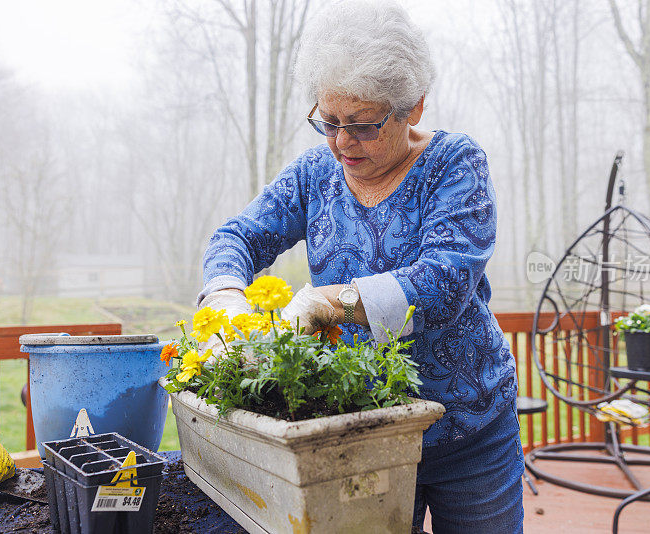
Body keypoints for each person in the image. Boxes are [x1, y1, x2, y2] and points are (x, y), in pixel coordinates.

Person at [198, 1, 523, 531]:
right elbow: (236, 236)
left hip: (470, 433)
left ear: (413, 108)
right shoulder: (314, 174)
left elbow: (442, 284)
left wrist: (326, 301)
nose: (342, 143)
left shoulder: (454, 163)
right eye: (329, 122)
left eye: (364, 126)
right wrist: (226, 299)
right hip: (359, 436)